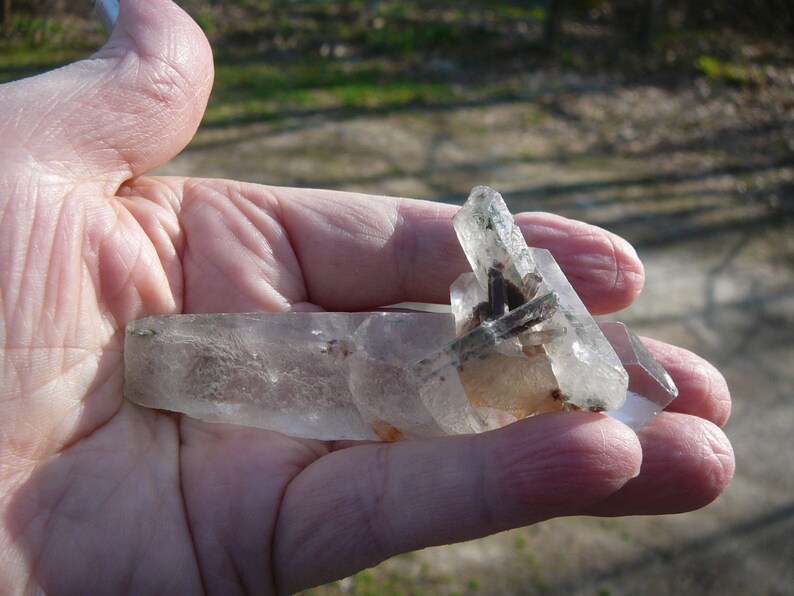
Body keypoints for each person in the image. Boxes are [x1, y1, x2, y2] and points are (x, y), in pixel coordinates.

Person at [0, 1, 734, 593]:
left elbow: (488, 274)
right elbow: (487, 236)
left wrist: (495, 336)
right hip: (397, 370)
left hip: (446, 378)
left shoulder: (528, 371)